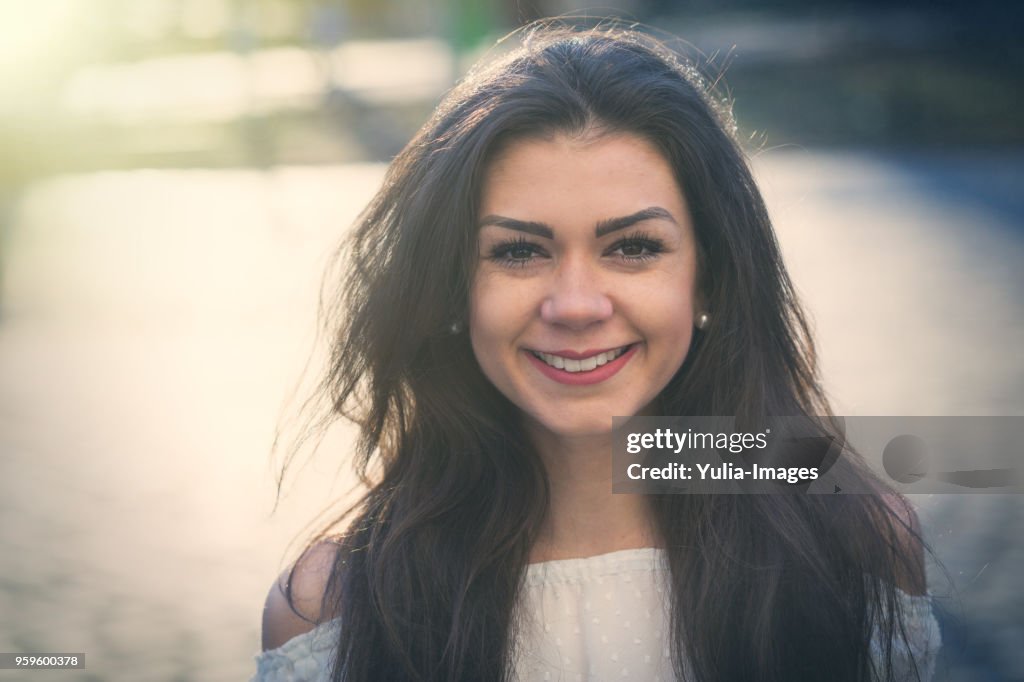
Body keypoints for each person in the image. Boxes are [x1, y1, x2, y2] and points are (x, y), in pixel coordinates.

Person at [253, 23, 941, 682]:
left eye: (634, 248)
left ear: (712, 275)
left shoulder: (860, 543)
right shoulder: (327, 611)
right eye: (518, 251)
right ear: (452, 290)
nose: (576, 304)